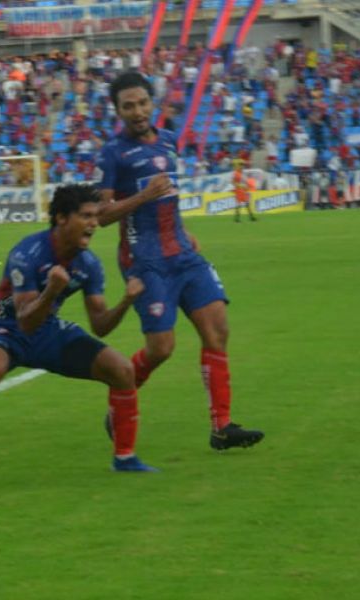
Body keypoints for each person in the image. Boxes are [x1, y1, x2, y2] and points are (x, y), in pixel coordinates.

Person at [0, 184, 156, 483]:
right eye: (86, 216)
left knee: (122, 370)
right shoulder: (27, 252)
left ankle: (125, 458)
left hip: (46, 331)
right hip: (3, 327)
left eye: (95, 216)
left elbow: (100, 325)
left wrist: (126, 301)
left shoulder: (89, 264)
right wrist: (52, 292)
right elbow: (24, 321)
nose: (95, 223)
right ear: (61, 218)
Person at [96, 72, 264, 450]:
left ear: (152, 103)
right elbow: (101, 215)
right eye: (128, 106)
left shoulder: (170, 141)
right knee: (161, 349)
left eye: (142, 103)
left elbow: (167, 198)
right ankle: (118, 399)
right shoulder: (112, 154)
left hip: (182, 254)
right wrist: (141, 198)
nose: (137, 112)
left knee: (218, 328)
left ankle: (222, 427)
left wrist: (182, 229)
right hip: (145, 261)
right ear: (118, 110)